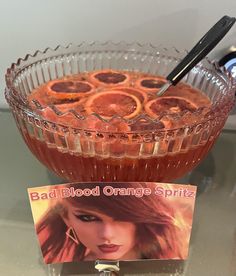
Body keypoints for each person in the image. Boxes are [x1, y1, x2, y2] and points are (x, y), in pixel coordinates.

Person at [36, 182, 187, 264]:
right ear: (66, 218)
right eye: (88, 218)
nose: (107, 234)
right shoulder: (61, 266)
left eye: (123, 217)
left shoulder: (170, 265)